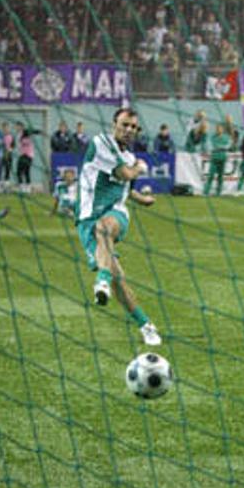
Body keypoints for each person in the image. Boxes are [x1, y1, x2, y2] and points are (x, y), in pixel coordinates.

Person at [77, 107, 161, 346]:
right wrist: (140, 169)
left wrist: (140, 199)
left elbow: (125, 188)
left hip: (116, 215)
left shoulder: (130, 158)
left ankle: (101, 280)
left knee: (104, 227)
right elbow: (124, 175)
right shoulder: (101, 143)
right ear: (114, 124)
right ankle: (146, 325)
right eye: (125, 124)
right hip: (87, 219)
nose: (129, 130)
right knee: (119, 280)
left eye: (134, 127)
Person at [204, 123, 232, 197]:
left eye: (220, 128)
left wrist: (219, 147)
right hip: (214, 158)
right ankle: (206, 192)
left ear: (222, 129)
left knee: (220, 176)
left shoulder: (227, 137)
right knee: (211, 175)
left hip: (222, 158)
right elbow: (211, 147)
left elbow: (228, 146)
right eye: (217, 129)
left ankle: (218, 192)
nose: (218, 130)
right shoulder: (212, 137)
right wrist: (221, 147)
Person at [15, 122, 40, 194]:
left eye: (19, 126)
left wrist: (39, 132)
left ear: (22, 127)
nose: (17, 128)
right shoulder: (18, 135)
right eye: (17, 127)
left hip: (28, 155)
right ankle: (22, 187)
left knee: (26, 171)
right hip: (22, 154)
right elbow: (17, 144)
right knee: (19, 172)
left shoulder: (25, 133)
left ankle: (28, 188)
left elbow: (32, 131)